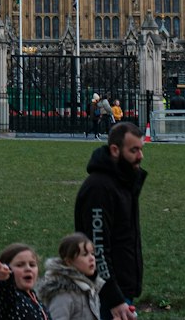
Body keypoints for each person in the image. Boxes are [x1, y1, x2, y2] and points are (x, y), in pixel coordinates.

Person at [74, 120, 146, 320]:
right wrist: (114, 297)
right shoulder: (100, 188)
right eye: (134, 150)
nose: (140, 156)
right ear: (115, 150)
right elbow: (97, 247)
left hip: (121, 288)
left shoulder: (122, 182)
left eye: (141, 149)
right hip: (108, 294)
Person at [36, 232, 104, 320]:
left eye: (92, 253)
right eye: (85, 254)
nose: (92, 258)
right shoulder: (63, 292)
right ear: (69, 262)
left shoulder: (89, 287)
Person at [0, 244, 51, 320]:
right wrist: (4, 278)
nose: (28, 268)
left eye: (32, 265)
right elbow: (4, 293)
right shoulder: (9, 298)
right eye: (20, 265)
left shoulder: (34, 298)